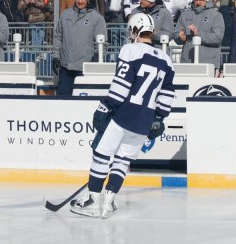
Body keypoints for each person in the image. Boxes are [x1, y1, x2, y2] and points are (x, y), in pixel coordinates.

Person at [73, 13, 174, 218]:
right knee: (122, 160)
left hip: (124, 114)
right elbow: (167, 93)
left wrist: (105, 107)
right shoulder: (166, 59)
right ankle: (108, 201)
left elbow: (121, 86)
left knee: (101, 156)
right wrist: (159, 118)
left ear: (136, 30)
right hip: (145, 119)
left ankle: (93, 200)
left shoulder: (130, 49)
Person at [54, 0, 106, 96]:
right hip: (66, 65)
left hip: (85, 66)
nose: (80, 1)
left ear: (87, 0)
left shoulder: (96, 18)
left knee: (83, 97)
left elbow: (101, 41)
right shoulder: (65, 15)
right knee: (62, 97)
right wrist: (55, 57)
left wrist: (98, 57)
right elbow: (58, 37)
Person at [175, 0, 225, 69]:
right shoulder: (185, 14)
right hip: (187, 61)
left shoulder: (216, 15)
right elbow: (176, 33)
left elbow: (217, 37)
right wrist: (178, 36)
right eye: (196, 0)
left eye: (201, 0)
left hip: (208, 63)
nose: (198, 2)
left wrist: (198, 34)